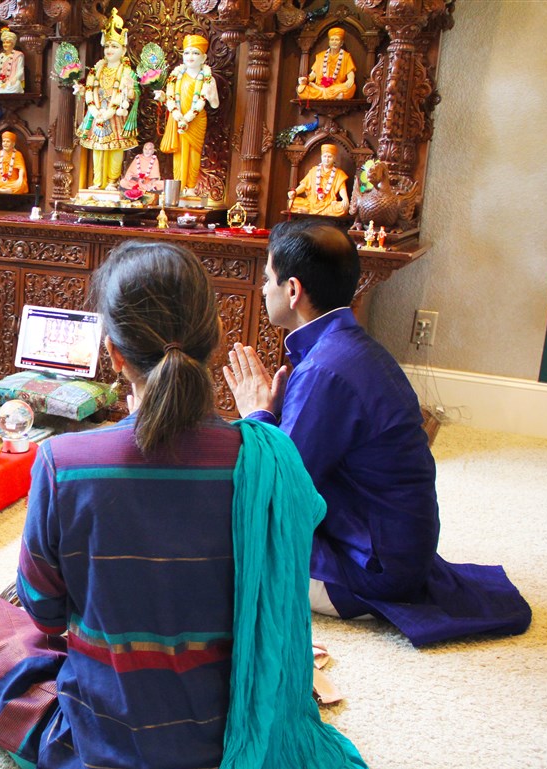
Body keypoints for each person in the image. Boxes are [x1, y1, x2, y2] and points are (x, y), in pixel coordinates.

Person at [0, 241, 380, 769]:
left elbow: (45, 620)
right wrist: (261, 420)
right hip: (237, 750)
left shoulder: (64, 463)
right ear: (214, 341)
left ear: (114, 355)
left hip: (103, 755)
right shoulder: (270, 459)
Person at [223, 220, 531, 647]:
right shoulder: (347, 347)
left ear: (292, 291)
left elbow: (277, 489)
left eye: (267, 279)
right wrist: (270, 416)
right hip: (397, 552)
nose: (262, 289)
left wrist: (255, 414)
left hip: (373, 570)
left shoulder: (326, 371)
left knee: (223, 537)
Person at [76, 8, 138, 190]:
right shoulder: (97, 69)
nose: (110, 50)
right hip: (98, 114)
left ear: (124, 49)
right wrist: (95, 110)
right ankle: (97, 182)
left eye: (115, 46)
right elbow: (89, 90)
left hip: (116, 114)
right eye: (107, 46)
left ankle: (112, 181)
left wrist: (126, 91)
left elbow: (132, 95)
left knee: (115, 149)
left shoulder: (126, 71)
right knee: (97, 150)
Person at [159, 33, 220, 200]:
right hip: (178, 121)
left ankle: (191, 188)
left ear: (204, 57)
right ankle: (177, 188)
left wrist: (211, 94)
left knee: (194, 154)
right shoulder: (176, 77)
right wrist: (163, 98)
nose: (190, 57)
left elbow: (215, 104)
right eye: (187, 53)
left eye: (195, 53)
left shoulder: (207, 78)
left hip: (196, 121)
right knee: (178, 155)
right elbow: (171, 100)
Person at [288, 143, 350, 216]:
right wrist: (295, 192)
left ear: (334, 158)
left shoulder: (339, 173)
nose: (326, 159)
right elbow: (304, 185)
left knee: (343, 208)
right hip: (311, 202)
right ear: (321, 157)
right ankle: (314, 211)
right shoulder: (314, 171)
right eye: (325, 156)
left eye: (329, 157)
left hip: (328, 204)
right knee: (292, 202)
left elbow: (342, 188)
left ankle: (309, 212)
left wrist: (345, 199)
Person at [297, 27, 357, 100]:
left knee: (352, 87)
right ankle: (330, 95)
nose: (334, 42)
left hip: (336, 87)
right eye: (332, 39)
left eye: (337, 40)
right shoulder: (320, 56)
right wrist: (305, 80)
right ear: (329, 42)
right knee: (301, 89)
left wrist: (350, 80)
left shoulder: (346, 56)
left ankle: (323, 93)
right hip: (321, 86)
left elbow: (350, 76)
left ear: (341, 43)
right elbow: (313, 75)